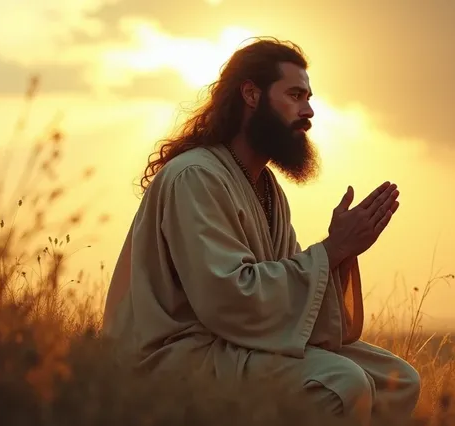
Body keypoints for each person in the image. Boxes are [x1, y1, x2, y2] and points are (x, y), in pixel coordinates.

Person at [101, 37, 420, 425]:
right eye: (295, 94)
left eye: (308, 97)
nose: (308, 111)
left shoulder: (267, 188)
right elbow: (226, 298)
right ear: (251, 94)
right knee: (342, 384)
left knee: (398, 380)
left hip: (236, 342)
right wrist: (332, 250)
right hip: (177, 353)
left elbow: (290, 293)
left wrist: (341, 251)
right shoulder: (196, 177)